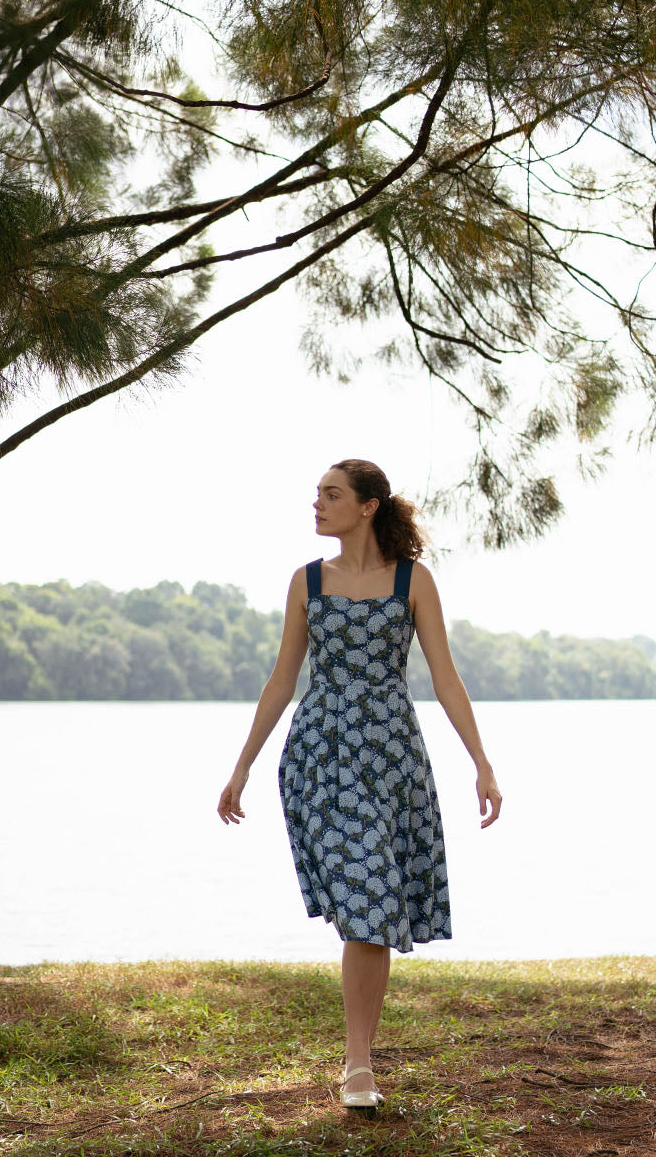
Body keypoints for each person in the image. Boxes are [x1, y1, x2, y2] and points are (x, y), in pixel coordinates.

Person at [217, 458, 502, 1109]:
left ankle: (357, 1066)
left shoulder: (413, 582)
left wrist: (481, 763)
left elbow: (447, 679)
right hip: (318, 758)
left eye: (332, 494)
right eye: (316, 494)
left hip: (391, 756)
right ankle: (358, 1068)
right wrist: (243, 766)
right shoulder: (306, 583)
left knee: (372, 909)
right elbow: (282, 681)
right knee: (368, 898)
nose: (317, 504)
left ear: (368, 505)